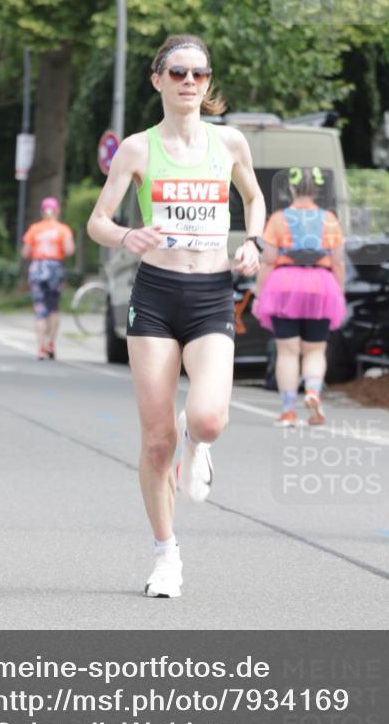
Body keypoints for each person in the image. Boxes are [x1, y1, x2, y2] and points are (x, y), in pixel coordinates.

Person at [87, 33, 265, 598]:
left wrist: (254, 241)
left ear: (208, 83)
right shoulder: (138, 149)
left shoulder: (230, 143)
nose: (191, 82)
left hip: (212, 293)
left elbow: (255, 198)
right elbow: (98, 221)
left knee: (208, 419)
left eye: (200, 74)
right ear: (158, 79)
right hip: (156, 296)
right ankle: (167, 555)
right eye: (179, 72)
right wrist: (126, 234)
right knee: (157, 440)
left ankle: (201, 443)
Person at [253, 166, 346, 427]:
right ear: (317, 191)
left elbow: (268, 261)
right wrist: (338, 291)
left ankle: (288, 411)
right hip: (321, 286)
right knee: (316, 349)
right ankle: (313, 391)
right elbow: (337, 262)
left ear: (291, 189)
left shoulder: (279, 219)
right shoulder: (329, 219)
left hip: (284, 286)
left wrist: (259, 294)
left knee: (287, 351)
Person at [21, 197, 75, 360]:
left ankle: (40, 347)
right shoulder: (63, 229)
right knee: (53, 308)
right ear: (57, 211)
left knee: (40, 309)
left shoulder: (34, 229)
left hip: (37, 268)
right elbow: (69, 250)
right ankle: (51, 343)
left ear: (42, 212)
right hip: (55, 269)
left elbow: (24, 253)